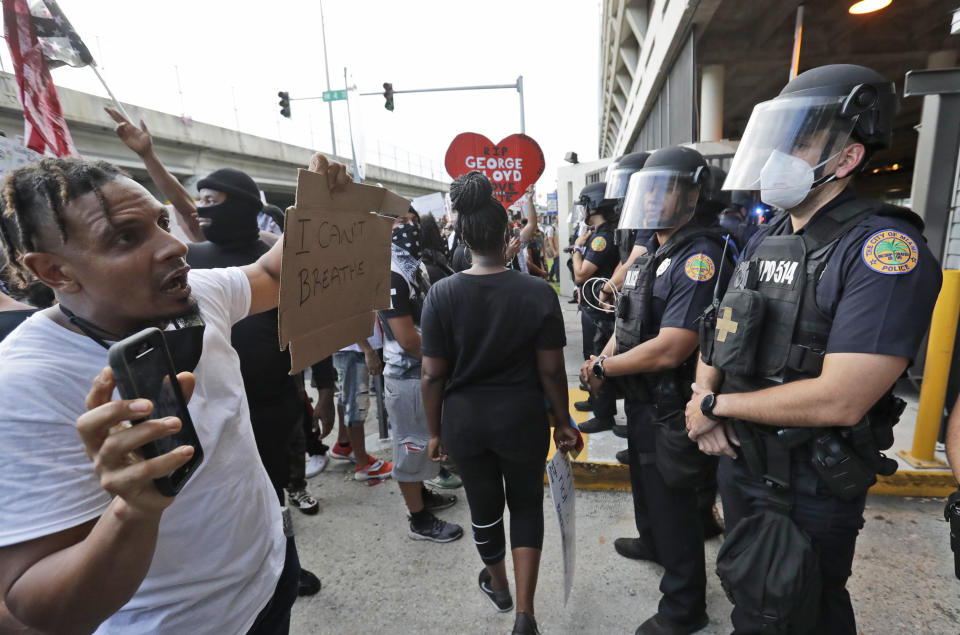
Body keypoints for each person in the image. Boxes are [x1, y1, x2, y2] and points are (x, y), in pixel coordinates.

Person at [0, 153, 349, 634]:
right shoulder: (24, 386)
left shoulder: (197, 295)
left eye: (162, 222)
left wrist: (318, 210)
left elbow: (271, 276)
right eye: (126, 236)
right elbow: (35, 609)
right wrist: (134, 509)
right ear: (55, 272)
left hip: (269, 577)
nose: (173, 246)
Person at [686, 64, 942, 634]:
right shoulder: (769, 232)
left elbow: (841, 400)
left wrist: (713, 409)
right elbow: (720, 325)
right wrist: (704, 391)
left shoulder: (883, 249)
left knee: (802, 608)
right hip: (743, 462)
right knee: (753, 597)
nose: (779, 154)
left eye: (798, 142)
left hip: (808, 483)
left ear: (847, 158)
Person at [582, 146, 731, 635]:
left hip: (674, 402)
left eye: (664, 189)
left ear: (692, 194)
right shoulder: (653, 253)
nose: (651, 200)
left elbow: (673, 346)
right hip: (645, 400)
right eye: (648, 190)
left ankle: (684, 606)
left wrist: (607, 369)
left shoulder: (699, 256)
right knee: (646, 485)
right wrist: (604, 356)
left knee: (676, 503)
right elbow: (629, 319)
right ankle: (652, 543)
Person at [421, 171, 578, 635]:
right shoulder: (536, 291)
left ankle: (499, 586)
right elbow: (551, 369)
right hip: (522, 418)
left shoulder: (441, 294)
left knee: (484, 508)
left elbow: (432, 374)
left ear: (463, 236)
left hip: (465, 422)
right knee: (526, 505)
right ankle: (526, 614)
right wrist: (563, 420)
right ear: (508, 232)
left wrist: (434, 432)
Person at [379, 216, 463, 542]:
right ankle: (418, 520)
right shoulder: (391, 273)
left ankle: (423, 494)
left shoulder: (410, 265)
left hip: (422, 368)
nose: (409, 225)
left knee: (422, 441)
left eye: (411, 219)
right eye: (400, 220)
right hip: (409, 371)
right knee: (411, 445)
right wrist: (442, 361)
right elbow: (407, 339)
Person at [571, 181, 621, 433]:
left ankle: (603, 414)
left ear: (593, 206)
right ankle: (595, 401)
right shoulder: (600, 233)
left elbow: (581, 275)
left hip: (599, 311)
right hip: (594, 309)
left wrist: (578, 248)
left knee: (597, 357)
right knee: (591, 355)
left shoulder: (601, 238)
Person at [328, 334, 395, 481]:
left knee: (348, 396)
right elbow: (349, 318)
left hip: (353, 347)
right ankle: (364, 466)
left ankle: (344, 443)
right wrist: (368, 350)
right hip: (355, 349)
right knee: (356, 403)